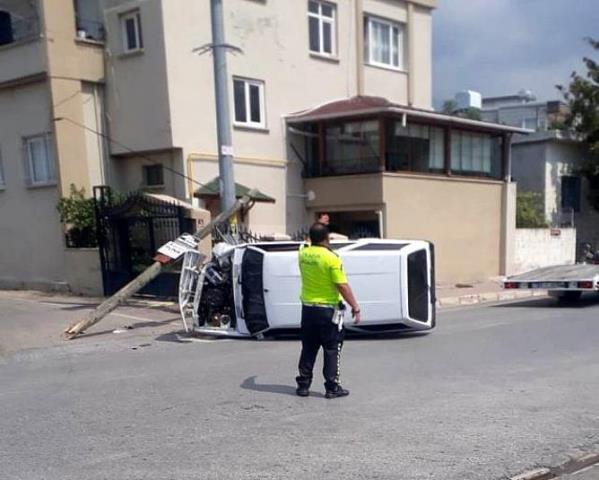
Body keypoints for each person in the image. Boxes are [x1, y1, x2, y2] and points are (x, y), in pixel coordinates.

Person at [296, 222, 361, 399]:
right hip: (328, 311)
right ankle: (332, 387)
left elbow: (305, 246)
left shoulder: (303, 254)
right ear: (327, 239)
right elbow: (341, 285)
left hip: (308, 309)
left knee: (308, 347)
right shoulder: (332, 258)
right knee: (332, 348)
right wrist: (355, 306)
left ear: (310, 238)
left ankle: (303, 385)